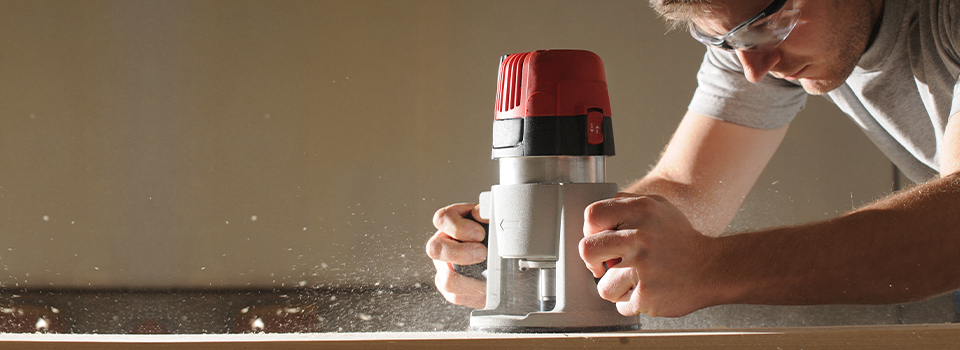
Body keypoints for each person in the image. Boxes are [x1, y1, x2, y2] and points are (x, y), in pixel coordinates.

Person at [427, 0, 960, 318]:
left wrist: (713, 268)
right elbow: (686, 192)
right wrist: (529, 250)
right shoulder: (753, 41)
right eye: (721, 39)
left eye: (768, 24)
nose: (754, 68)